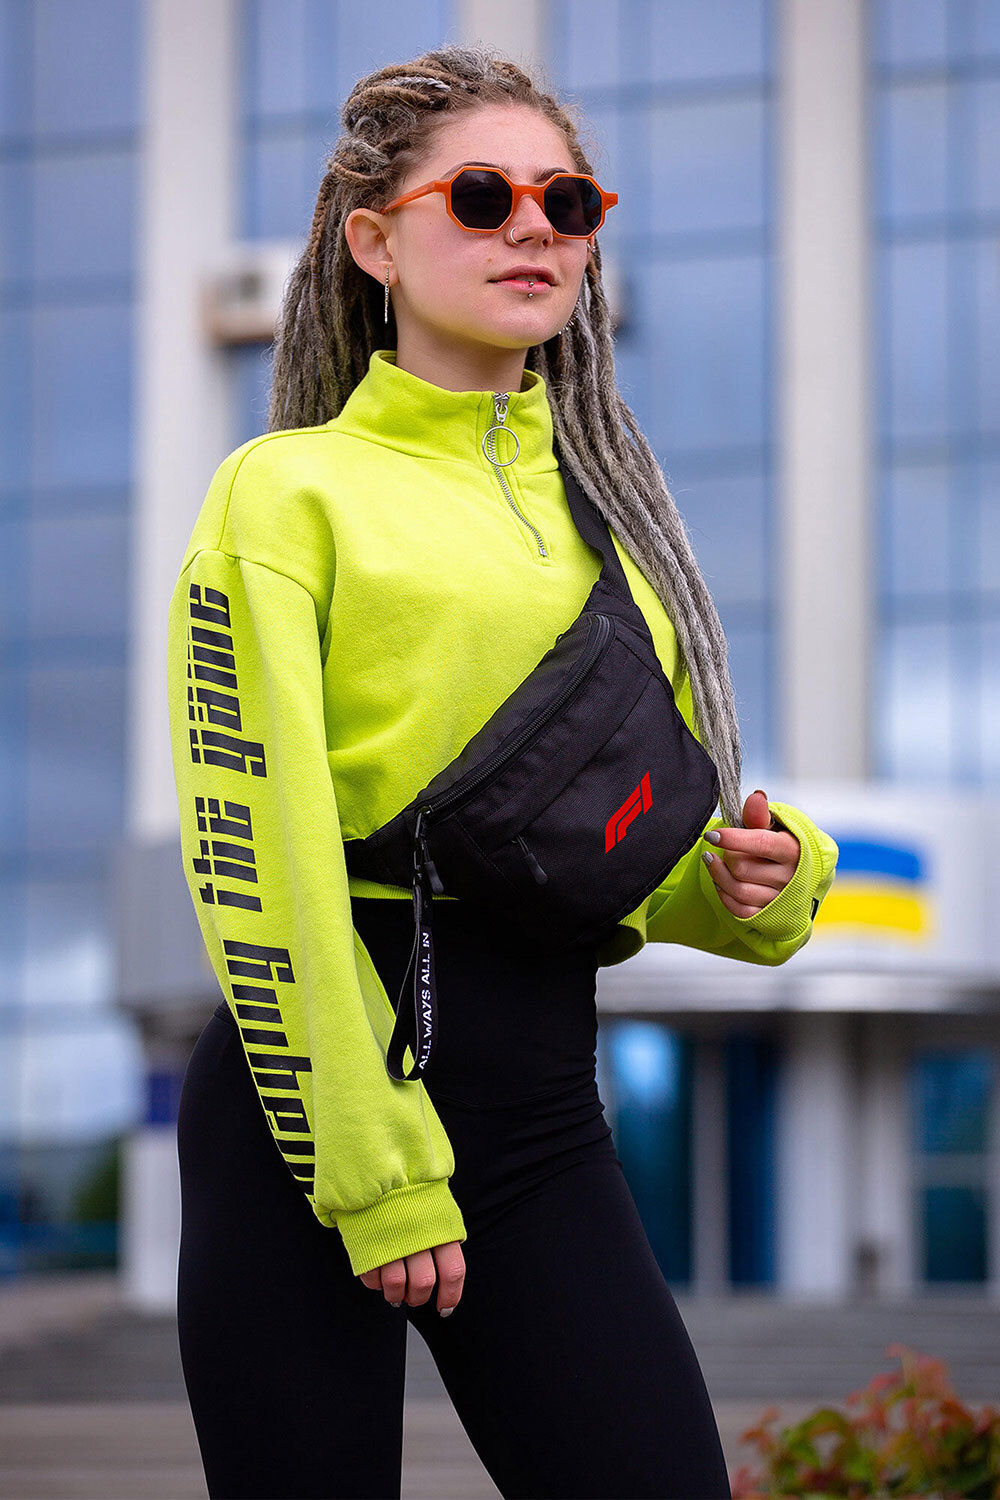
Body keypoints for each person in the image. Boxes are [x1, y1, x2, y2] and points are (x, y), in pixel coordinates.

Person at [167, 43, 839, 1500]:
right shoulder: (284, 493)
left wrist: (757, 884)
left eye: (567, 202)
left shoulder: (616, 522)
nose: (534, 227)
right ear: (374, 242)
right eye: (482, 196)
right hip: (312, 1115)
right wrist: (373, 1169)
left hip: (537, 1113)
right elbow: (257, 855)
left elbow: (609, 859)